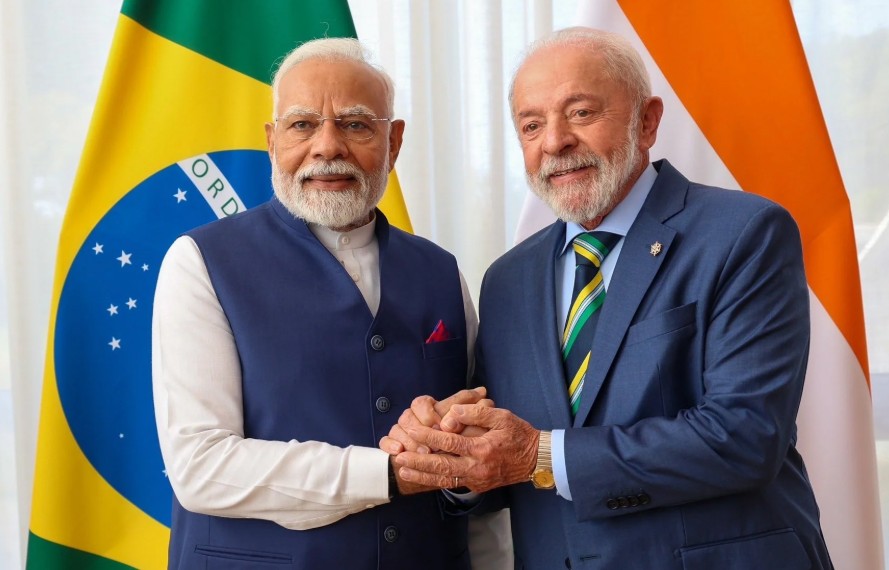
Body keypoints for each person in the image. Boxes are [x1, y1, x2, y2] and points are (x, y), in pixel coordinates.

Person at [383, 27, 834, 569]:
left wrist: (538, 455)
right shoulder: (507, 280)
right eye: (531, 125)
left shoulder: (745, 233)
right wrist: (453, 454)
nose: (555, 142)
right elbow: (509, 461)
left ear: (647, 122)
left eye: (580, 113)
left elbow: (746, 436)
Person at [152, 37, 510, 569]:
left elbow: (478, 462)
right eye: (302, 124)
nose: (327, 146)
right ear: (272, 141)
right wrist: (385, 475)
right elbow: (200, 466)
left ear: (394, 141)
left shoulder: (442, 271)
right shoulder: (200, 262)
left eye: (355, 124)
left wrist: (463, 468)